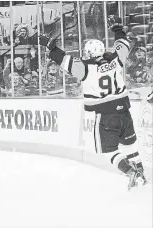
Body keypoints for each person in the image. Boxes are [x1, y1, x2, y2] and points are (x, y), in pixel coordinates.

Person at [39, 15, 147, 190]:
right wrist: (118, 28)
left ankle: (130, 172)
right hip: (125, 112)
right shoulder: (115, 60)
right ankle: (141, 175)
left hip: (106, 115)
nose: (84, 54)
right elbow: (124, 44)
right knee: (131, 146)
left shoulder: (85, 68)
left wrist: (50, 46)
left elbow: (63, 60)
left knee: (110, 151)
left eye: (86, 52)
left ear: (90, 53)